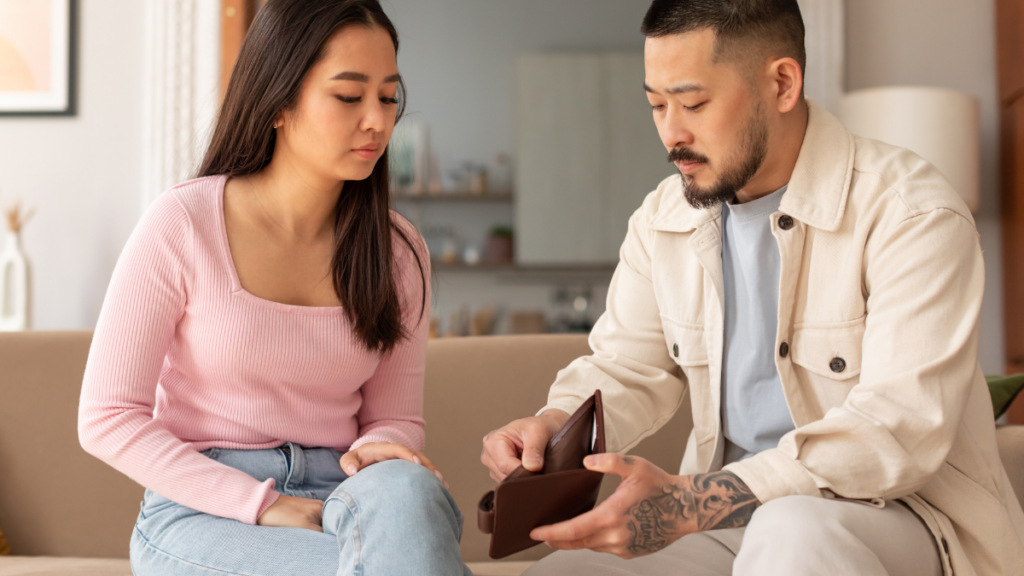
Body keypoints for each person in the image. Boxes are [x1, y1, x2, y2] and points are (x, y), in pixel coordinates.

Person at [481, 0, 1024, 574]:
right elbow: (624, 368)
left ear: (783, 83)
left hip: (902, 519)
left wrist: (691, 502)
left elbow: (896, 432)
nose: (671, 132)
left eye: (692, 103)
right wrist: (552, 424)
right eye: (656, 105)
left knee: (792, 529)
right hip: (726, 519)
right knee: (568, 571)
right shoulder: (663, 218)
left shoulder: (913, 214)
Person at [78, 1, 471, 574]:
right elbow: (108, 415)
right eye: (348, 96)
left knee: (409, 493)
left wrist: (383, 450)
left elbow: (395, 419)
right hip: (202, 510)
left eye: (388, 97)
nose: (378, 121)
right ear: (279, 100)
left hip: (346, 493)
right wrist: (261, 504)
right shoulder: (182, 225)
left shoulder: (397, 251)